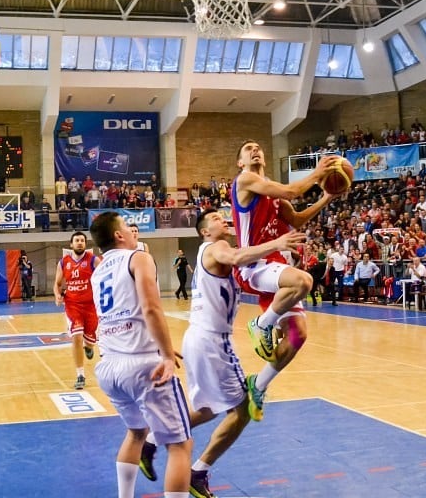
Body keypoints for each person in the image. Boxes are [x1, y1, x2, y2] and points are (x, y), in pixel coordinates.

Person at [138, 210, 305, 496]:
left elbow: (247, 267)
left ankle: (150, 442)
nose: (222, 218)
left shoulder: (215, 252)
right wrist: (276, 243)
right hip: (214, 342)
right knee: (242, 411)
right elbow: (239, 257)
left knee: (205, 410)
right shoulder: (218, 247)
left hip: (198, 337)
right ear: (204, 231)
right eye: (215, 217)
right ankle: (198, 472)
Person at [88, 211, 192, 498]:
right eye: (127, 227)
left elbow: (124, 314)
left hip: (110, 366)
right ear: (119, 235)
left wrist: (163, 346)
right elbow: (150, 308)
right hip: (143, 366)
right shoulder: (139, 257)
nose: (134, 231)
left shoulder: (98, 272)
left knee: (137, 432)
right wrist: (167, 357)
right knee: (180, 446)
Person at [231, 140, 336, 422]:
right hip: (252, 264)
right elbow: (292, 189)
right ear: (240, 162)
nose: (255, 149)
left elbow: (297, 219)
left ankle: (258, 385)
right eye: (247, 149)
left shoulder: (274, 195)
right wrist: (316, 173)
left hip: (275, 267)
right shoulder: (246, 180)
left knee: (298, 334)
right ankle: (261, 325)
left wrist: (327, 197)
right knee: (304, 282)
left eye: (257, 147)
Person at [54, 231, 101, 390]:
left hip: (91, 306)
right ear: (71, 244)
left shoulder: (94, 260)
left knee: (89, 341)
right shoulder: (63, 262)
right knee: (76, 337)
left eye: (82, 240)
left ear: (85, 244)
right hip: (72, 305)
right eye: (77, 240)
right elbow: (58, 283)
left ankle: (89, 346)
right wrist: (57, 295)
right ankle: (80, 374)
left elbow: (105, 277)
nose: (80, 243)